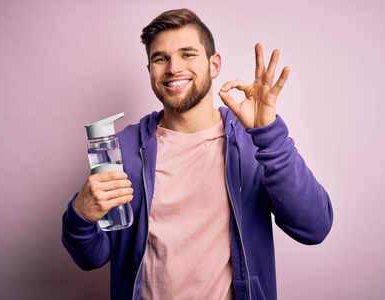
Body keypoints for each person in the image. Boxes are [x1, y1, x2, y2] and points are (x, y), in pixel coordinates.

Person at [62, 8, 333, 300]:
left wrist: (268, 134)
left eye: (187, 54)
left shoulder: (253, 142)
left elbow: (313, 228)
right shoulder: (124, 148)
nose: (173, 68)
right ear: (150, 70)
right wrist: (80, 217)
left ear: (214, 65)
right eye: (161, 58)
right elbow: (93, 258)